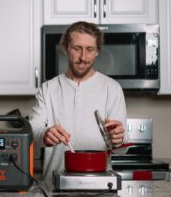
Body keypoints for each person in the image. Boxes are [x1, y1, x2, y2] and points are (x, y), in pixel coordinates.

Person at [29, 21, 127, 178]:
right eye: (77, 48)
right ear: (66, 48)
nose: (83, 57)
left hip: (99, 185)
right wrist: (45, 134)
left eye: (90, 50)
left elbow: (122, 148)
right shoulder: (48, 89)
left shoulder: (112, 88)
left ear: (97, 51)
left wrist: (119, 138)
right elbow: (32, 132)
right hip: (55, 187)